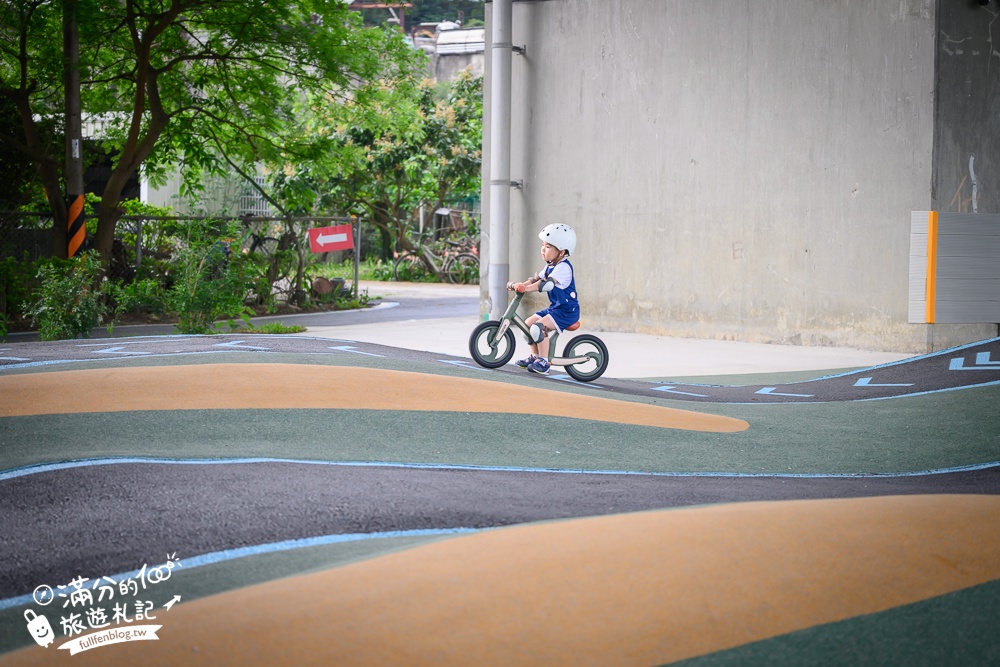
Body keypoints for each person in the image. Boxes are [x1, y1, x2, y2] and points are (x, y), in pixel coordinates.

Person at [506, 223, 579, 375]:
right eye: (543, 245)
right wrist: (519, 285)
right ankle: (535, 356)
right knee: (527, 325)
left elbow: (546, 284)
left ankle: (544, 363)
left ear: (561, 251)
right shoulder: (550, 266)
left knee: (537, 328)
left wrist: (525, 289)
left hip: (567, 311)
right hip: (555, 309)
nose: (543, 249)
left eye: (548, 246)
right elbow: (535, 280)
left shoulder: (563, 268)